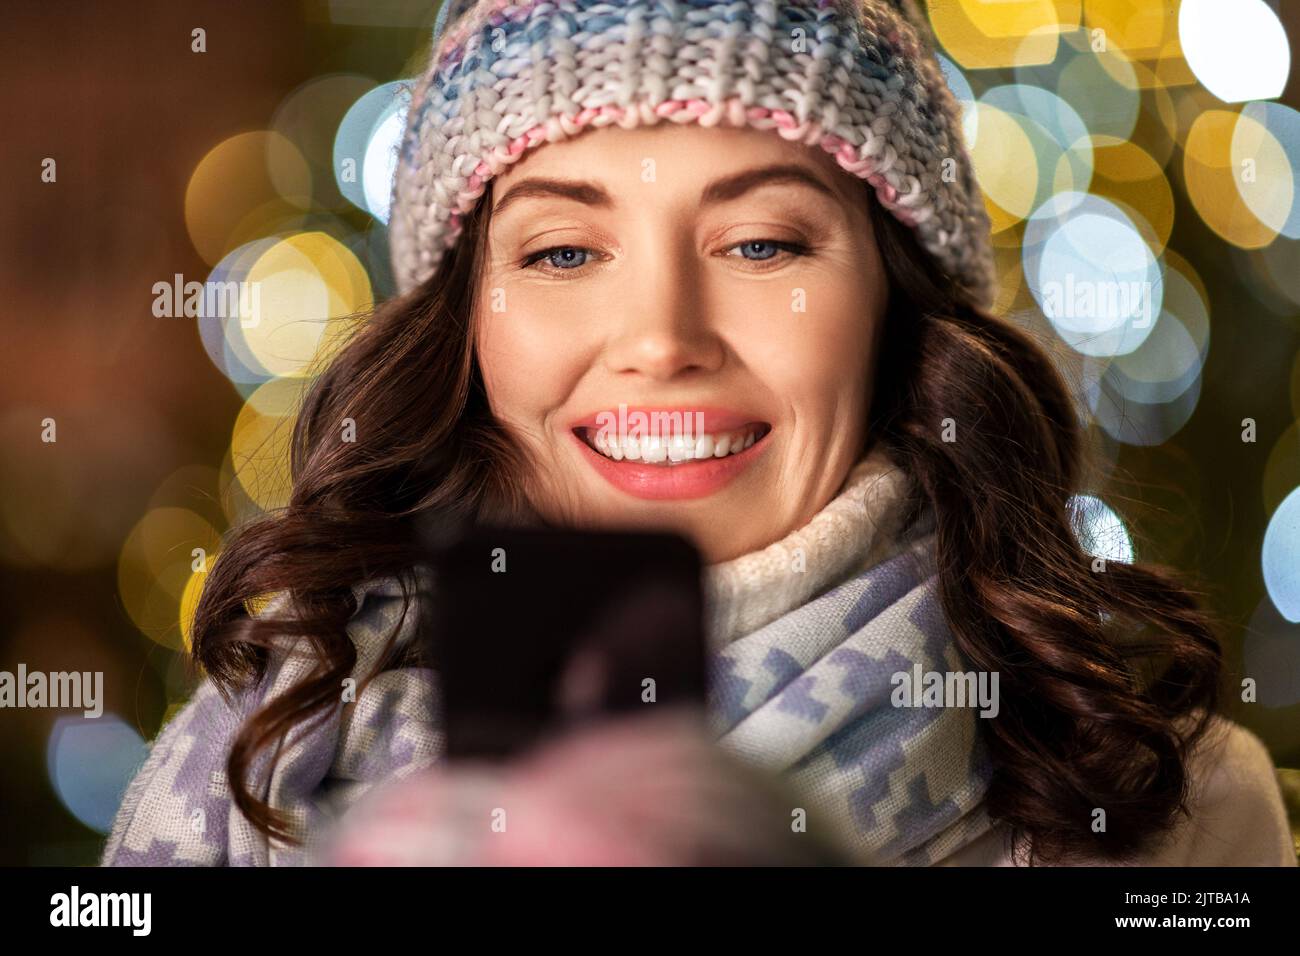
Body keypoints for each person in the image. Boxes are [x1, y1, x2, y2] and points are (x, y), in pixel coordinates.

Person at [102, 0, 1295, 867]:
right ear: (466, 327)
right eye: (563, 251)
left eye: (761, 243)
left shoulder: (1169, 817)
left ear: (893, 303)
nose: (661, 338)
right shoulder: (255, 770)